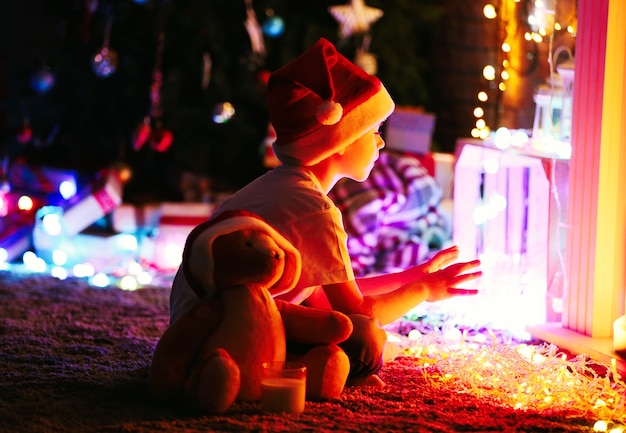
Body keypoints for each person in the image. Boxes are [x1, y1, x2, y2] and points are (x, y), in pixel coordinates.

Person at [168, 38, 482, 387]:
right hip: (232, 334)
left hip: (194, 332)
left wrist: (415, 275)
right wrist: (425, 289)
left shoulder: (280, 187)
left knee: (352, 330)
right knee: (366, 338)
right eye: (374, 131)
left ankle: (303, 366)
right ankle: (301, 372)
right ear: (340, 140)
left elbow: (330, 297)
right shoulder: (315, 208)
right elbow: (357, 312)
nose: (380, 143)